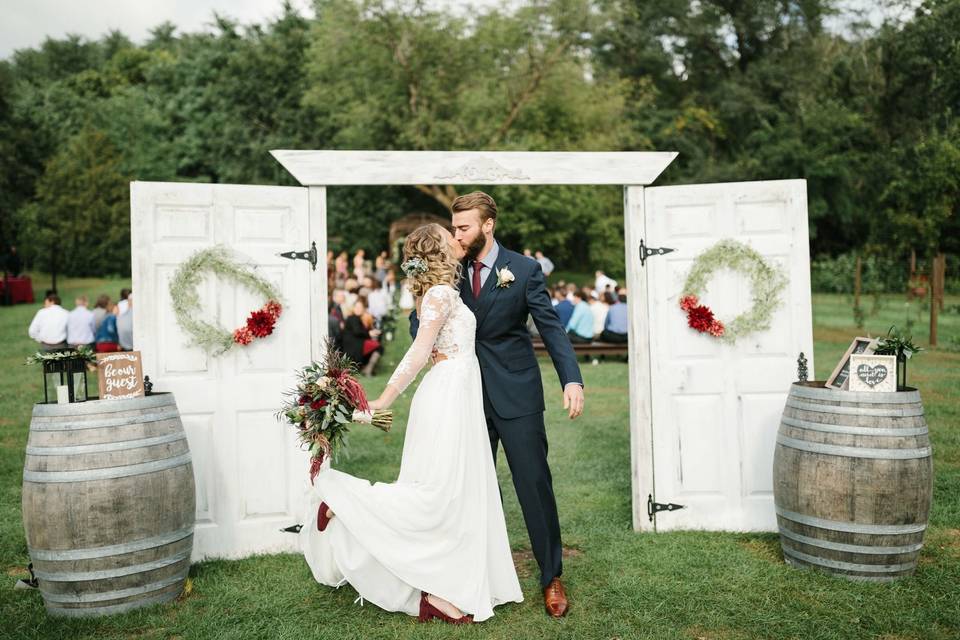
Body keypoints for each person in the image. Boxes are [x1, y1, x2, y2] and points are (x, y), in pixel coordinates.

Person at [302, 223, 523, 624]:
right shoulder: (438, 294)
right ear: (439, 248)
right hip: (449, 394)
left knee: (455, 494)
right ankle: (344, 502)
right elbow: (419, 352)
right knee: (438, 493)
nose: (458, 240)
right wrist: (381, 401)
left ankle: (439, 590)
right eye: (449, 235)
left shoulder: (437, 292)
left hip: (460, 390)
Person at [414, 191, 584, 618]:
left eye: (464, 227)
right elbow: (422, 320)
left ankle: (551, 576)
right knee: (467, 488)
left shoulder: (524, 270)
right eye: (454, 227)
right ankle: (468, 575)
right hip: (464, 396)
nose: (456, 234)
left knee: (534, 485)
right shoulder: (448, 268)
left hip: (517, 393)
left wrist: (572, 378)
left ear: (488, 225)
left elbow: (550, 327)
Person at [341, 299, 383, 376]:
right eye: (356, 307)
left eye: (360, 307)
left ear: (363, 309)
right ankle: (368, 369)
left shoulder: (355, 318)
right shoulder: (353, 318)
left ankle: (367, 368)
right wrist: (369, 333)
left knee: (377, 346)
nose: (358, 309)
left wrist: (370, 332)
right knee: (378, 347)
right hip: (355, 345)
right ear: (353, 308)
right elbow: (357, 331)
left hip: (356, 344)